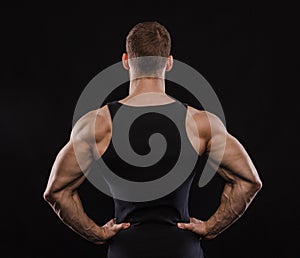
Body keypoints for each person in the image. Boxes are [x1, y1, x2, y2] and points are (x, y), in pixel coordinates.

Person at [43, 21, 262, 258]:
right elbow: (249, 182)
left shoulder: (97, 124)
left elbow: (56, 191)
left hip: (126, 250)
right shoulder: (200, 123)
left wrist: (96, 232)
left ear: (126, 60)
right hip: (182, 250)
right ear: (169, 63)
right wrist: (210, 228)